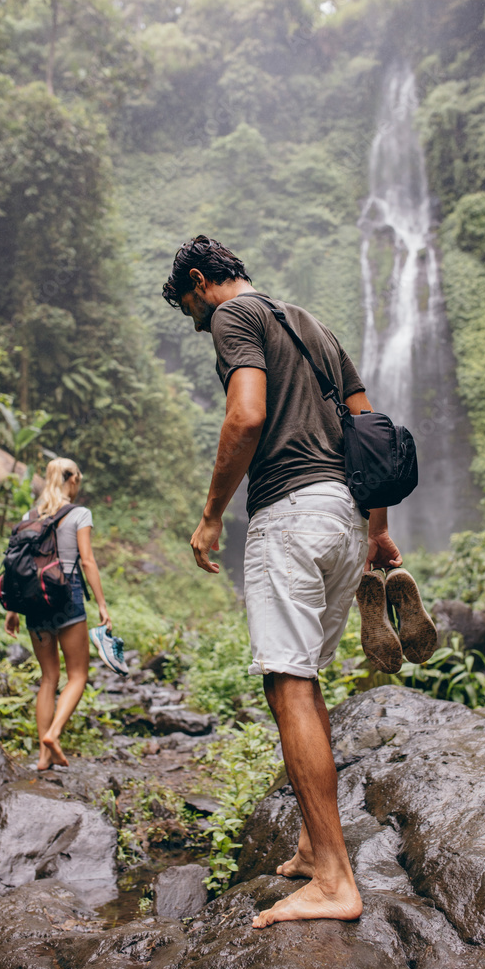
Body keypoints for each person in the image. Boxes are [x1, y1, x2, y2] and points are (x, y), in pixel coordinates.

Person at [163, 235, 403, 929]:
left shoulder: (236, 317)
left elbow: (245, 415)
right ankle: (310, 844)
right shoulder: (312, 324)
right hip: (342, 517)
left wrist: (210, 517)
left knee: (287, 682)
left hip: (290, 514)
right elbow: (370, 427)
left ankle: (333, 879)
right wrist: (377, 529)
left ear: (202, 281)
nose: (200, 325)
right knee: (307, 678)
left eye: (191, 311)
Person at [3, 457, 121, 770]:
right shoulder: (79, 514)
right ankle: (53, 734)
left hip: (32, 601)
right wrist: (102, 605)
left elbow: (17, 567)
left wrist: (13, 610)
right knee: (78, 675)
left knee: (48, 678)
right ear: (72, 481)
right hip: (67, 595)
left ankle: (43, 758)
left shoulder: (29, 516)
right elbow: (87, 562)